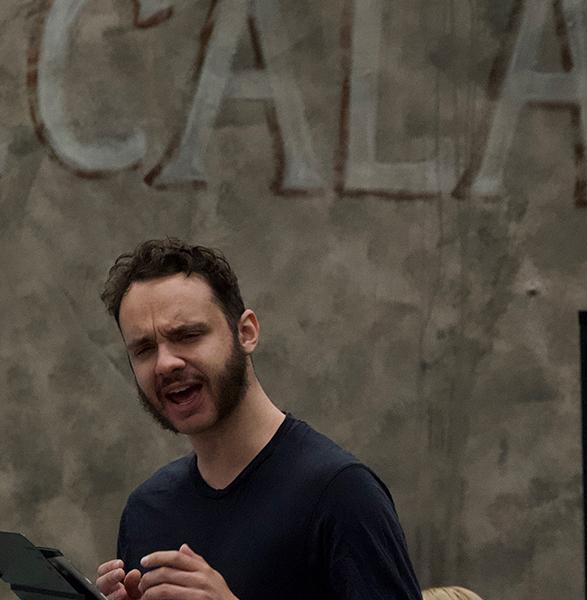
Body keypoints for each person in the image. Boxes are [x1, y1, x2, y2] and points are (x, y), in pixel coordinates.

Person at [94, 238, 421, 600]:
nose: (165, 363)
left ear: (246, 332)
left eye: (187, 335)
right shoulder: (147, 510)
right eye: (144, 349)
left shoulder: (340, 494)